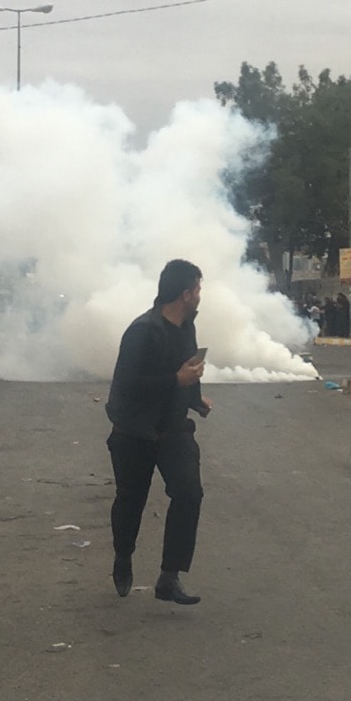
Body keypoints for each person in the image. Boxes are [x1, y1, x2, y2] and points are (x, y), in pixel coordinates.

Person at [104, 259, 212, 606]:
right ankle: (123, 557)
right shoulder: (142, 331)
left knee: (189, 494)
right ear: (184, 293)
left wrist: (195, 398)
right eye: (196, 289)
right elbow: (127, 385)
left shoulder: (187, 327)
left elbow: (186, 371)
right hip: (135, 433)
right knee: (130, 502)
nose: (199, 296)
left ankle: (169, 576)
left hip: (174, 431)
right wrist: (174, 381)